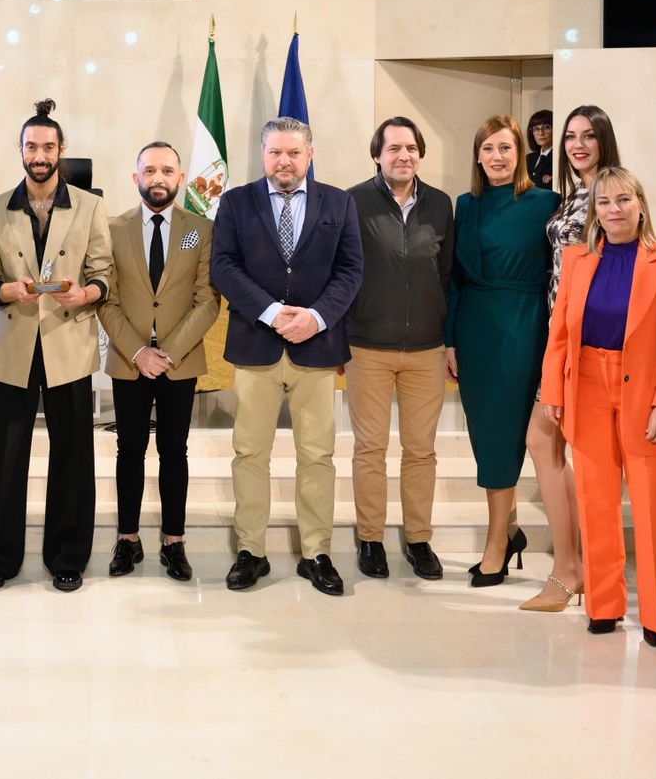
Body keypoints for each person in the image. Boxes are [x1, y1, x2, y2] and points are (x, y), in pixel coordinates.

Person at [211, 117, 364, 596]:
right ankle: (250, 551)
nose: (285, 161)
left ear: (309, 155)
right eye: (276, 152)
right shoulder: (235, 202)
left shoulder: (338, 203)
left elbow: (351, 269)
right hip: (256, 343)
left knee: (317, 454)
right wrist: (272, 312)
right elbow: (223, 267)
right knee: (250, 453)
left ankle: (317, 552)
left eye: (294, 153)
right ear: (263, 155)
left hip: (316, 347)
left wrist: (316, 317)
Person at [540, 167, 656, 647]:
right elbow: (560, 333)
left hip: (645, 393)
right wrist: (553, 391)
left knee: (651, 508)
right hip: (586, 388)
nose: (614, 210)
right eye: (604, 202)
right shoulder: (577, 259)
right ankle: (603, 606)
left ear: (640, 204)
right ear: (594, 212)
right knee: (595, 503)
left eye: (623, 200)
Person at [0, 99, 112, 592]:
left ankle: (67, 557)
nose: (39, 155)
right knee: (3, 457)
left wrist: (85, 294)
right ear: (20, 151)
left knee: (73, 457)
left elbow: (104, 274)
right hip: (13, 346)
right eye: (31, 146)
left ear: (61, 150)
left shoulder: (91, 206)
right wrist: (7, 290)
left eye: (48, 147)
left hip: (67, 344)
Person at [445, 114, 558, 588]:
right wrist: (450, 340)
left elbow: (559, 276)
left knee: (505, 436)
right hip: (475, 331)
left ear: (520, 154)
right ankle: (508, 531)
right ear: (477, 155)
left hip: (523, 327)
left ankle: (496, 545)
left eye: (505, 148)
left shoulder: (547, 202)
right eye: (488, 148)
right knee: (486, 434)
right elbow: (454, 277)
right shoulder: (465, 204)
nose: (497, 156)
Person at [98, 142, 219, 582]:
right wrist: (138, 351)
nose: (158, 178)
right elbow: (106, 300)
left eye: (167, 170)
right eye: (149, 170)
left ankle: (173, 541)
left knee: (173, 451)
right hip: (129, 360)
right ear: (136, 178)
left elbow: (208, 300)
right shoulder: (112, 229)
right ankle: (127, 539)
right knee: (128, 450)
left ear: (181, 177)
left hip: (178, 362)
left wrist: (166, 353)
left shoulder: (199, 230)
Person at [521, 105, 622, 612]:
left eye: (588, 135)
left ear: (604, 140)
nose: (577, 145)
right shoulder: (573, 194)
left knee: (547, 441)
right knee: (549, 444)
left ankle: (572, 571)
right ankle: (574, 568)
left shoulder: (610, 192)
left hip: (586, 338)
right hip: (557, 332)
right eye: (570, 137)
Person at [345, 117, 452, 581]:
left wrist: (448, 335)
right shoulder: (353, 202)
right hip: (367, 346)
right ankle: (370, 539)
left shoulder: (441, 204)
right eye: (393, 148)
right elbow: (343, 271)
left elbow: (447, 274)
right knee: (370, 448)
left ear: (420, 154)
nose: (403, 155)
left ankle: (419, 539)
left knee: (420, 450)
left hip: (426, 349)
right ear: (377, 155)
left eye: (411, 148)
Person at [526, 109, 555, 190]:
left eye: (546, 127)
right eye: (536, 129)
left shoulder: (558, 157)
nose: (541, 133)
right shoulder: (529, 158)